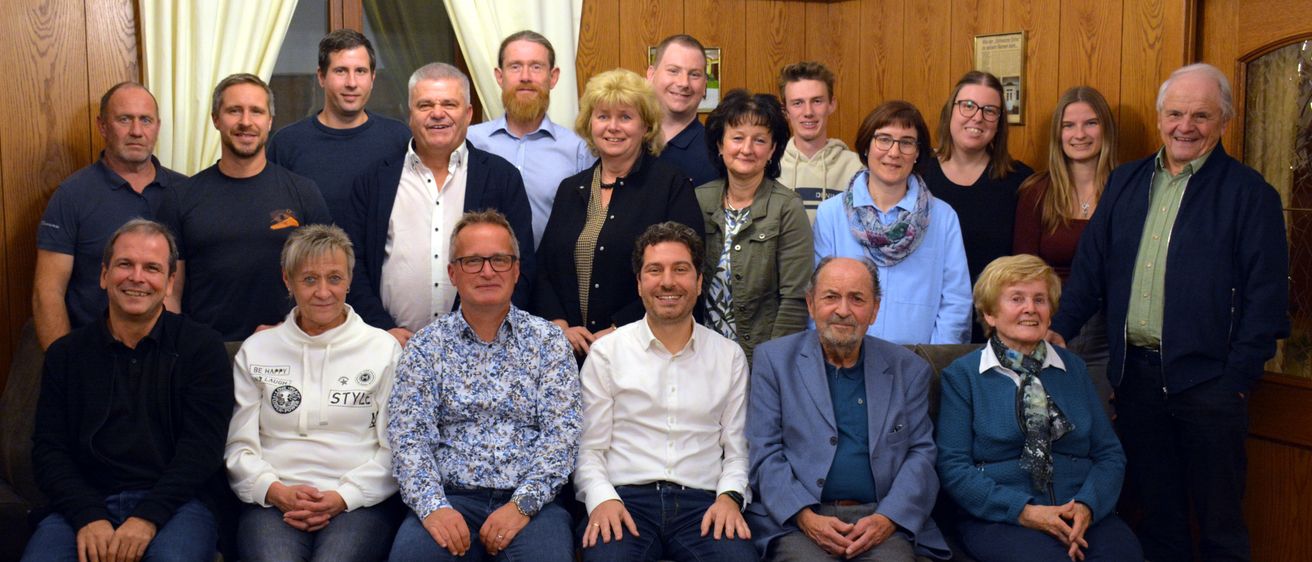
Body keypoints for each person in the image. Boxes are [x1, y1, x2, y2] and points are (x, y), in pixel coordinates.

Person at [1050, 63, 1290, 562]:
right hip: (1136, 381)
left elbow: (1266, 301)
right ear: (1161, 117)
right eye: (1176, 113)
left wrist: (1235, 380)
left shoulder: (1250, 194)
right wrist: (1059, 330)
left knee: (1221, 526)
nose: (1186, 126)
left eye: (1201, 115)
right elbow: (1090, 270)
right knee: (1159, 522)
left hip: (1211, 386)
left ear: (1224, 121)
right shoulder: (1126, 182)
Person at [25, 219, 233, 562]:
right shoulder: (66, 355)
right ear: (104, 275)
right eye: (125, 264)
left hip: (178, 505)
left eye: (151, 268)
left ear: (169, 283)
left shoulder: (202, 348)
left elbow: (202, 450)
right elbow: (49, 451)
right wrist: (87, 515)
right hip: (84, 504)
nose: (137, 277)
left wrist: (147, 518)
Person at [387, 210, 580, 561]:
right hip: (448, 499)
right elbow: (408, 438)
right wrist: (433, 508)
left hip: (531, 504)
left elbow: (561, 437)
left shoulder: (549, 342)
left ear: (517, 270)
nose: (488, 271)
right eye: (473, 261)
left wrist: (522, 506)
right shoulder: (426, 346)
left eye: (499, 260)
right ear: (453, 273)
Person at [937, 255, 1141, 561]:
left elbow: (1109, 454)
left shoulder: (1074, 369)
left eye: (1040, 299)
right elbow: (953, 467)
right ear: (990, 313)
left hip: (1081, 512)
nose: (1030, 308)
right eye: (1016, 299)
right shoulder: (963, 376)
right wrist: (1025, 512)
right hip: (1003, 518)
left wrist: (1087, 505)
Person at [747, 256, 952, 561]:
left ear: (875, 309)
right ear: (811, 304)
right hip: (799, 520)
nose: (843, 310)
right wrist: (804, 516)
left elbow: (921, 454)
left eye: (857, 299)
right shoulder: (774, 361)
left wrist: (888, 518)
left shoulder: (908, 369)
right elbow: (764, 452)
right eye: (831, 297)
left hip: (881, 518)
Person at [575, 221, 756, 562]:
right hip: (624, 501)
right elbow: (589, 448)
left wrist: (730, 497)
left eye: (681, 269)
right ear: (639, 283)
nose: (668, 282)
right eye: (655, 270)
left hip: (704, 505)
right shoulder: (607, 353)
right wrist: (602, 499)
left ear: (699, 282)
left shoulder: (728, 356)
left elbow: (737, 451)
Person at [225, 224, 402, 561]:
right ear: (287, 280)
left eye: (334, 278)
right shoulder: (257, 350)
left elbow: (394, 449)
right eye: (309, 279)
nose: (323, 292)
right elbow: (238, 446)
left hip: (358, 501)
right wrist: (275, 491)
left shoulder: (383, 349)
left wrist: (343, 496)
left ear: (349, 280)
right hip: (273, 500)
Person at [344, 62, 535, 346]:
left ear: (468, 114)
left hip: (481, 347)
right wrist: (381, 328)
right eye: (425, 105)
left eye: (449, 104)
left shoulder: (502, 178)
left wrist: (486, 333)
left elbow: (522, 265)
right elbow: (352, 263)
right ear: (410, 114)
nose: (437, 113)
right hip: (391, 345)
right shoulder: (374, 181)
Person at [533, 68, 703, 357]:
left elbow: (685, 271)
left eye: (625, 117)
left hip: (642, 348)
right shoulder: (570, 189)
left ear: (645, 126)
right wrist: (560, 325)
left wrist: (619, 329)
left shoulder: (670, 186)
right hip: (569, 351)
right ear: (590, 124)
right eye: (603, 116)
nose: (613, 127)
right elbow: (545, 269)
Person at [158, 73, 332, 341]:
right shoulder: (182, 197)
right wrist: (177, 347)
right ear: (216, 119)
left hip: (289, 346)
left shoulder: (303, 193)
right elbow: (170, 292)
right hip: (206, 351)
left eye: (256, 111)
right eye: (234, 111)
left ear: (269, 120)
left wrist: (299, 330)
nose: (246, 122)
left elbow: (328, 281)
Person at [34, 82, 187, 349]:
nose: (136, 131)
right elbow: (47, 292)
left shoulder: (186, 192)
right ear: (102, 126)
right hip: (93, 354)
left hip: (168, 355)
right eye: (124, 119)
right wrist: (63, 362)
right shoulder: (72, 195)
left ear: (157, 127)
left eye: (146, 120)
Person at [812, 101, 970, 344]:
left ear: (917, 153)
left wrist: (935, 358)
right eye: (884, 139)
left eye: (906, 142)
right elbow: (820, 296)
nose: (894, 152)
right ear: (866, 146)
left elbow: (956, 302)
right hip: (845, 355)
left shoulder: (942, 217)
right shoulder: (831, 214)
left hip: (920, 360)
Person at [1014, 86, 1120, 418]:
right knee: (1047, 428)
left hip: (1108, 333)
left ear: (1106, 129)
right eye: (1068, 125)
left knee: (1100, 427)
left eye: (1091, 123)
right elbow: (1024, 270)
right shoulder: (1036, 192)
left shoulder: (1126, 189)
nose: (1079, 134)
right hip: (1049, 325)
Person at [694, 89, 811, 363]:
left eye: (759, 140)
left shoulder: (787, 208)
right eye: (737, 138)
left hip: (759, 357)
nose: (747, 149)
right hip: (699, 356)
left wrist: (770, 365)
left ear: (772, 150)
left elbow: (795, 300)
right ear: (720, 145)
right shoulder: (699, 200)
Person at [923, 71, 1033, 342]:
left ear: (999, 123)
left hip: (994, 328)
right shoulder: (918, 174)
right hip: (926, 324)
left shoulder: (1020, 181)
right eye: (968, 105)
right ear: (950, 111)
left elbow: (1025, 266)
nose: (977, 117)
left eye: (989, 111)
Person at [266, 29, 410, 223]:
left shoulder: (399, 138)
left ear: (372, 78)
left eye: (360, 71)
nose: (351, 83)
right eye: (340, 71)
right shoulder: (287, 143)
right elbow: (275, 219)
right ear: (321, 77)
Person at [467, 30, 595, 247]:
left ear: (553, 77)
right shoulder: (470, 141)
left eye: (536, 67)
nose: (525, 77)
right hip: (481, 266)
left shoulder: (578, 149)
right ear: (500, 76)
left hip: (550, 267)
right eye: (515, 66)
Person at [776, 61, 864, 220]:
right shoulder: (770, 167)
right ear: (785, 111)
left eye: (817, 101)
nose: (808, 112)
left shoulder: (857, 169)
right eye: (797, 103)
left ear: (831, 104)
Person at [648, 34, 717, 186]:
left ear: (705, 84)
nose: (683, 83)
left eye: (694, 74)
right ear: (651, 75)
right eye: (673, 71)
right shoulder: (628, 140)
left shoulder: (716, 153)